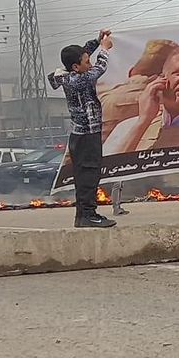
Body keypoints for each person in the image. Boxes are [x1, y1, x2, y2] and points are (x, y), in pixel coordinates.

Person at [49, 31, 116, 228]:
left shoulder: (69, 75)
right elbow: (100, 68)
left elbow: (85, 54)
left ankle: (82, 215)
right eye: (86, 61)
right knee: (89, 174)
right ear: (76, 67)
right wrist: (104, 48)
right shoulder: (79, 80)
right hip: (87, 136)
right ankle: (88, 214)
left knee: (84, 175)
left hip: (80, 136)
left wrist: (96, 41)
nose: (90, 63)